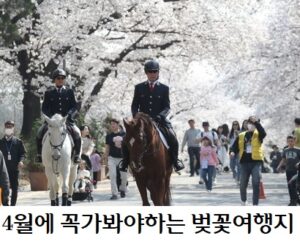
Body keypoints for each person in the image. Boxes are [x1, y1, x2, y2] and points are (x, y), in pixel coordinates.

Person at [120, 60, 184, 173]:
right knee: (127, 138)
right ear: (146, 72)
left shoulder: (164, 88)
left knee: (173, 137)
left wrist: (160, 116)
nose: (153, 73)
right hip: (142, 122)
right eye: (150, 71)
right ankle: (125, 162)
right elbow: (135, 105)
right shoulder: (139, 87)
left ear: (158, 72)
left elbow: (167, 107)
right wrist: (136, 117)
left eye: (155, 71)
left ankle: (175, 161)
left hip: (159, 121)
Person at [36, 68, 81, 164]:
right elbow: (44, 108)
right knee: (39, 133)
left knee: (77, 133)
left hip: (66, 120)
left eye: (62, 78)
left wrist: (69, 115)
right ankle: (39, 155)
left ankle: (77, 155)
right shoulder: (48, 93)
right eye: (58, 78)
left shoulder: (69, 92)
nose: (60, 80)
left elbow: (74, 107)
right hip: (52, 121)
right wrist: (51, 118)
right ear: (54, 80)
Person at [230, 116, 267, 206]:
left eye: (252, 124)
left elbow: (263, 133)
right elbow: (234, 147)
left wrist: (257, 123)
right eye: (249, 124)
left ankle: (255, 204)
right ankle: (244, 200)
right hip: (244, 162)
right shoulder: (241, 135)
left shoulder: (259, 134)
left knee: (255, 182)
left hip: (256, 162)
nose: (250, 125)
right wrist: (232, 152)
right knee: (243, 183)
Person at [0, 121, 26, 206]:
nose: (8, 128)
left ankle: (13, 206)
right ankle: (5, 204)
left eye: (10, 127)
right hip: (3, 170)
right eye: (7, 126)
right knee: (4, 188)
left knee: (15, 188)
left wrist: (21, 161)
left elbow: (23, 153)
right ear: (4, 128)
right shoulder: (1, 142)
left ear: (13, 128)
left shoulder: (18, 142)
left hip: (14, 169)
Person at [104, 119, 127, 200]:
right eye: (111, 124)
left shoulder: (124, 134)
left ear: (118, 125)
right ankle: (114, 194)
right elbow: (107, 148)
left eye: (114, 124)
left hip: (122, 158)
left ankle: (123, 189)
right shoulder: (108, 136)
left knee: (124, 177)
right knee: (113, 176)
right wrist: (105, 159)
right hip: (112, 158)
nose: (112, 126)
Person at [277, 136, 300, 206]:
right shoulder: (285, 150)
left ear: (294, 141)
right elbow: (283, 159)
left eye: (292, 141)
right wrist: (279, 166)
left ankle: (296, 199)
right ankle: (292, 200)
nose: (290, 142)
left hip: (297, 171)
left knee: (296, 186)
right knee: (290, 185)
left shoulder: (298, 150)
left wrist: (298, 163)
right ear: (287, 142)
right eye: (289, 141)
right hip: (288, 170)